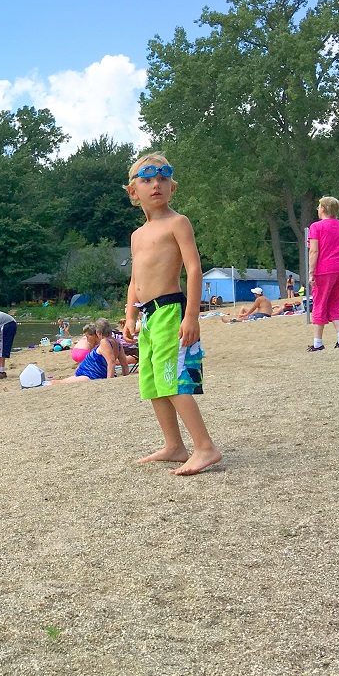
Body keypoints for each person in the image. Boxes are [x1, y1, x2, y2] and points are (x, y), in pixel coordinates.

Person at [121, 153, 221, 476]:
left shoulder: (178, 223)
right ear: (133, 192)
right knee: (153, 382)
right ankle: (174, 445)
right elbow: (135, 280)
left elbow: (194, 269)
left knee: (173, 379)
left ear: (172, 188)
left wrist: (191, 316)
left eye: (163, 179)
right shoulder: (137, 236)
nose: (156, 185)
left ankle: (205, 447)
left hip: (170, 311)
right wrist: (130, 316)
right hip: (148, 316)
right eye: (147, 180)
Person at [307, 195, 339, 351]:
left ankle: (318, 342)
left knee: (319, 303)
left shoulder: (316, 227)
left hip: (325, 269)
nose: (318, 209)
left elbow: (314, 251)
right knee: (336, 304)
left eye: (319, 207)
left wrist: (311, 272)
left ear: (323, 209)